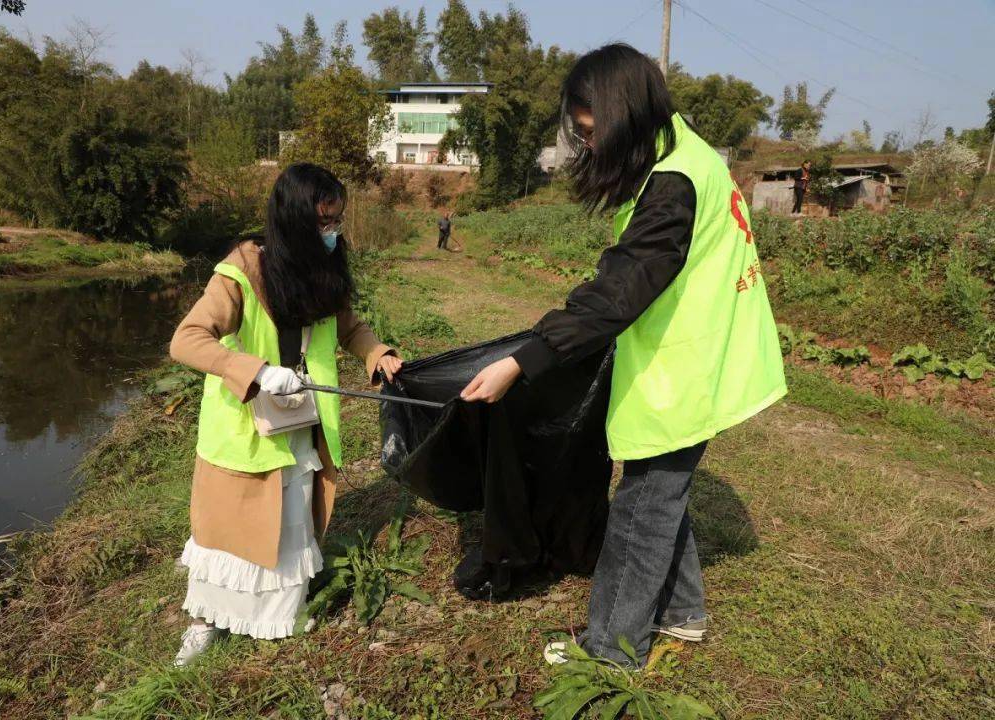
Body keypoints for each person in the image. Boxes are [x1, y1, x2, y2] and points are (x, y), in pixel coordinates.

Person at [460, 44, 787, 669]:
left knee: (641, 507)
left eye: (591, 130)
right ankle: (682, 611)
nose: (587, 143)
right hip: (706, 350)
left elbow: (619, 290)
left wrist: (523, 360)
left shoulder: (673, 187)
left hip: (688, 365)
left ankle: (611, 650)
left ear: (623, 114)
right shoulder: (681, 146)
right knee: (663, 493)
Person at [168, 163, 403, 665]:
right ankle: (204, 621)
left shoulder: (326, 268)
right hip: (244, 425)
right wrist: (253, 370)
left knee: (291, 519)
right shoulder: (241, 272)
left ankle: (278, 614)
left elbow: (347, 324)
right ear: (293, 221)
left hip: (300, 419)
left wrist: (376, 352)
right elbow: (187, 340)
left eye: (336, 220)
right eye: (323, 223)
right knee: (225, 529)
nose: (333, 232)